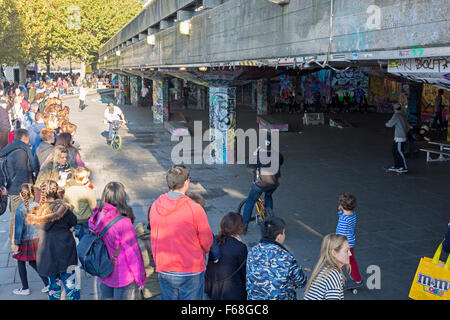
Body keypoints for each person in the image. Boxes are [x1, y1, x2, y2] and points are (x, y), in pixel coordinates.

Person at [149, 165, 213, 300]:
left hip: (165, 267)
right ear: (186, 182)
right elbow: (207, 242)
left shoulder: (155, 205)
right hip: (191, 270)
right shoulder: (195, 209)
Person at [89, 182, 146, 300]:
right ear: (122, 197)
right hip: (121, 275)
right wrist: (140, 278)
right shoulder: (123, 222)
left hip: (103, 270)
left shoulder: (97, 216)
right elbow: (133, 254)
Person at [25, 179, 79, 300]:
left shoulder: (38, 212)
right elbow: (74, 221)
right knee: (70, 285)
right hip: (66, 251)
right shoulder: (64, 209)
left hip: (48, 252)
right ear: (56, 191)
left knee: (53, 287)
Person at [246, 217, 307, 300]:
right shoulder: (286, 257)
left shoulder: (252, 251)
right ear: (278, 237)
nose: (284, 235)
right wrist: (292, 283)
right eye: (284, 233)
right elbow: (301, 282)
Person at [0, 129, 38, 250]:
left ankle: (16, 240)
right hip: (20, 190)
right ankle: (14, 243)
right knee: (16, 217)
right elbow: (25, 172)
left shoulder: (9, 149)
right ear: (25, 138)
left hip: (11, 188)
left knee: (15, 215)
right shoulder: (21, 153)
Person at [12, 183, 49, 296]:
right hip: (37, 238)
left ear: (21, 195)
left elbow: (19, 229)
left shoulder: (20, 209)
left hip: (26, 240)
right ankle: (47, 283)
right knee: (33, 261)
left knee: (21, 261)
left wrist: (16, 244)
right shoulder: (38, 205)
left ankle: (25, 288)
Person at [242, 133, 284, 233]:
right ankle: (270, 221)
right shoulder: (278, 154)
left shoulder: (259, 156)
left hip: (261, 184)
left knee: (250, 201)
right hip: (274, 183)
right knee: (268, 196)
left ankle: (244, 226)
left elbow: (249, 167)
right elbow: (280, 162)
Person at [205, 212, 247, 300]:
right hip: (229, 292)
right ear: (239, 228)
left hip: (211, 288)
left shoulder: (215, 239)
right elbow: (244, 272)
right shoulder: (240, 247)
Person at [304, 233, 350, 300]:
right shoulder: (333, 275)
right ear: (334, 253)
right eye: (346, 251)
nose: (350, 254)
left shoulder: (325, 267)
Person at [335, 193, 362, 288]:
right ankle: (356, 278)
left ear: (342, 206)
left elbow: (341, 234)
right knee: (350, 261)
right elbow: (342, 215)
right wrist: (340, 211)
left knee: (340, 262)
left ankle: (354, 280)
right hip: (350, 243)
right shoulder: (352, 214)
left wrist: (337, 245)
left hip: (344, 245)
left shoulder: (344, 220)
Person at [63, 167, 96, 241]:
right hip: (86, 220)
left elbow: (66, 206)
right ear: (84, 178)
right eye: (87, 177)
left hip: (75, 219)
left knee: (79, 236)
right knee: (86, 237)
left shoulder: (68, 190)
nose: (88, 179)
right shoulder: (88, 190)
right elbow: (94, 208)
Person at [385, 104, 410, 173]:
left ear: (395, 109)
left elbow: (390, 124)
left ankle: (404, 167)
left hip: (399, 137)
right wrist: (404, 132)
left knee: (399, 151)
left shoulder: (397, 115)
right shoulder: (404, 115)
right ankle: (397, 165)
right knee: (394, 151)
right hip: (400, 136)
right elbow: (408, 126)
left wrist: (386, 124)